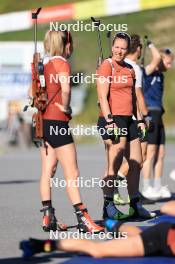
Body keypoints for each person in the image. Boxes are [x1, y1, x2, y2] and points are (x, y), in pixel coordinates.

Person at [30, 30, 104, 233]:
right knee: (72, 172)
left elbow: (31, 93)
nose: (72, 48)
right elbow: (66, 89)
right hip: (58, 122)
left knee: (48, 171)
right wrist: (66, 106)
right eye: (70, 44)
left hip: (43, 122)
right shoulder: (62, 63)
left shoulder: (40, 66)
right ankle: (83, 219)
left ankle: (48, 217)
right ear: (65, 45)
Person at [96, 32, 154, 220]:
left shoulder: (129, 69)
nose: (120, 51)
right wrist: (110, 121)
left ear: (127, 49)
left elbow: (133, 98)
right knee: (115, 157)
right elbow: (102, 98)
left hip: (129, 119)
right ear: (113, 47)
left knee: (136, 162)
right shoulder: (107, 66)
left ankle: (135, 204)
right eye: (117, 47)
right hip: (112, 118)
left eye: (123, 48)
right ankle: (108, 205)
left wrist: (139, 120)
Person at [20, 201, 175, 258]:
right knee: (97, 250)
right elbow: (167, 207)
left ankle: (114, 225)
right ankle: (39, 246)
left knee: (141, 235)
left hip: (163, 236)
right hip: (161, 240)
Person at [113, 34, 155, 204]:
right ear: (137, 49)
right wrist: (145, 116)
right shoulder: (133, 67)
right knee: (138, 158)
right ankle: (116, 184)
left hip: (128, 117)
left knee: (139, 158)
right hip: (132, 117)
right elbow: (138, 95)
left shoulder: (128, 66)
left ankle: (133, 194)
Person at [141, 45, 174, 199]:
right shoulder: (148, 71)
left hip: (159, 114)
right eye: (168, 63)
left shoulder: (161, 75)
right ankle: (146, 187)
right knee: (150, 153)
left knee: (161, 153)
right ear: (160, 60)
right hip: (150, 114)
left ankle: (157, 186)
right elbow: (156, 58)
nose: (170, 66)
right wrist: (150, 45)